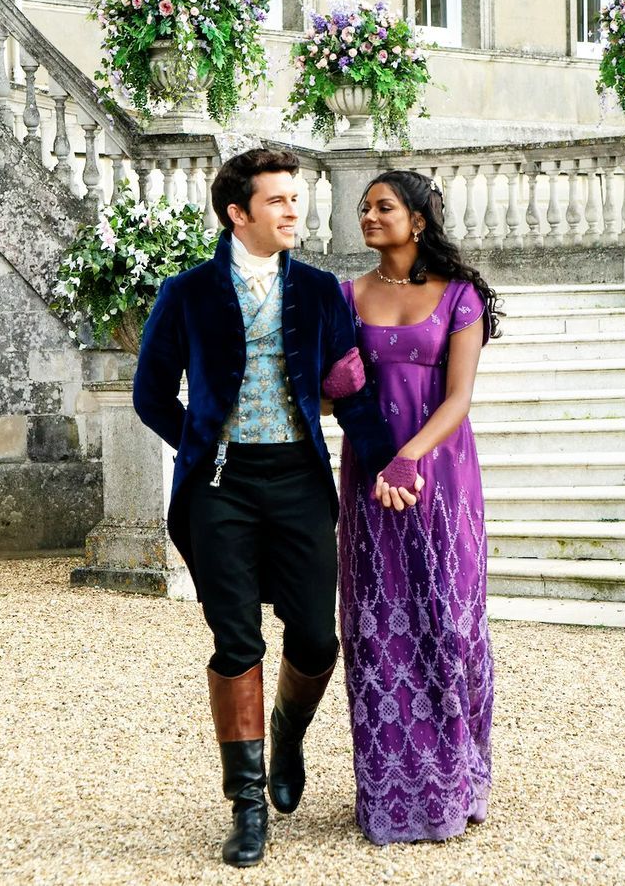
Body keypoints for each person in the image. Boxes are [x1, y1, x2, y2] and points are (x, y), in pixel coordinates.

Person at [133, 149, 417, 868]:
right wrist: (201, 443)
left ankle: (287, 733)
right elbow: (150, 393)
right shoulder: (187, 292)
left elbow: (350, 392)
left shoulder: (321, 292)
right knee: (236, 643)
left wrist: (390, 461)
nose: (295, 211)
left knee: (318, 640)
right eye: (280, 201)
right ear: (239, 212)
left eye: (297, 198)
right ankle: (248, 805)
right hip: (219, 487)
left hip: (297, 479)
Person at [337, 169, 500, 845]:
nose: (369, 216)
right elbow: (336, 391)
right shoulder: (346, 297)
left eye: (383, 207)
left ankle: (459, 780)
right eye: (364, 208)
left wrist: (411, 457)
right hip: (372, 479)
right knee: (378, 630)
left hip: (442, 477)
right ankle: (391, 795)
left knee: (453, 626)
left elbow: (459, 396)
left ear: (419, 220)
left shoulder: (460, 294)